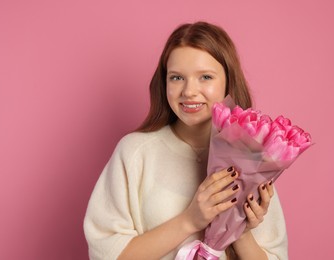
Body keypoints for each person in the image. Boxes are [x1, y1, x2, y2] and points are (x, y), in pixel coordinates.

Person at [84, 21, 288, 260]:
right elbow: (107, 254)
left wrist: (238, 228)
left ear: (228, 82)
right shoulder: (134, 152)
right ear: (164, 82)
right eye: (177, 77)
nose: (189, 91)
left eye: (205, 77)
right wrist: (190, 220)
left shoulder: (253, 157)